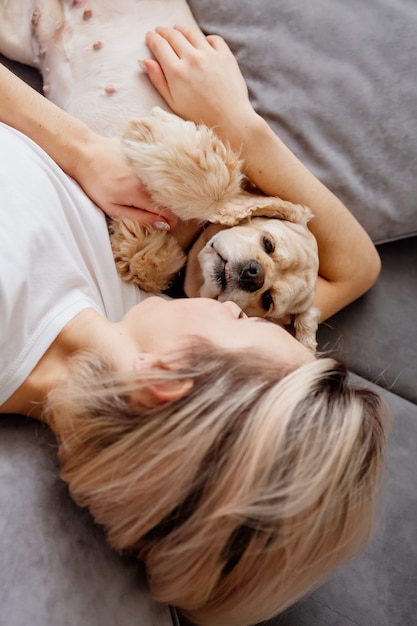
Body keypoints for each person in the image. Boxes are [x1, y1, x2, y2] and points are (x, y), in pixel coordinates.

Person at [0, 23, 386, 626]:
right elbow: (357, 269)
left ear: (167, 381)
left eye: (245, 324)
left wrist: (80, 150)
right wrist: (238, 123)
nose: (237, 306)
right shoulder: (133, 310)